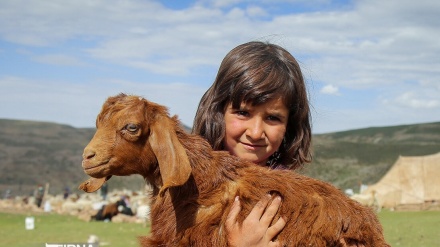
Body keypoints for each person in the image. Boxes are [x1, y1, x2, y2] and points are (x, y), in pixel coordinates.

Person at [193, 41, 312, 247]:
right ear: (218, 111)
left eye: (273, 118)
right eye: (243, 112)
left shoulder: (295, 201)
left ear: (289, 126)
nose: (256, 133)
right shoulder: (190, 189)